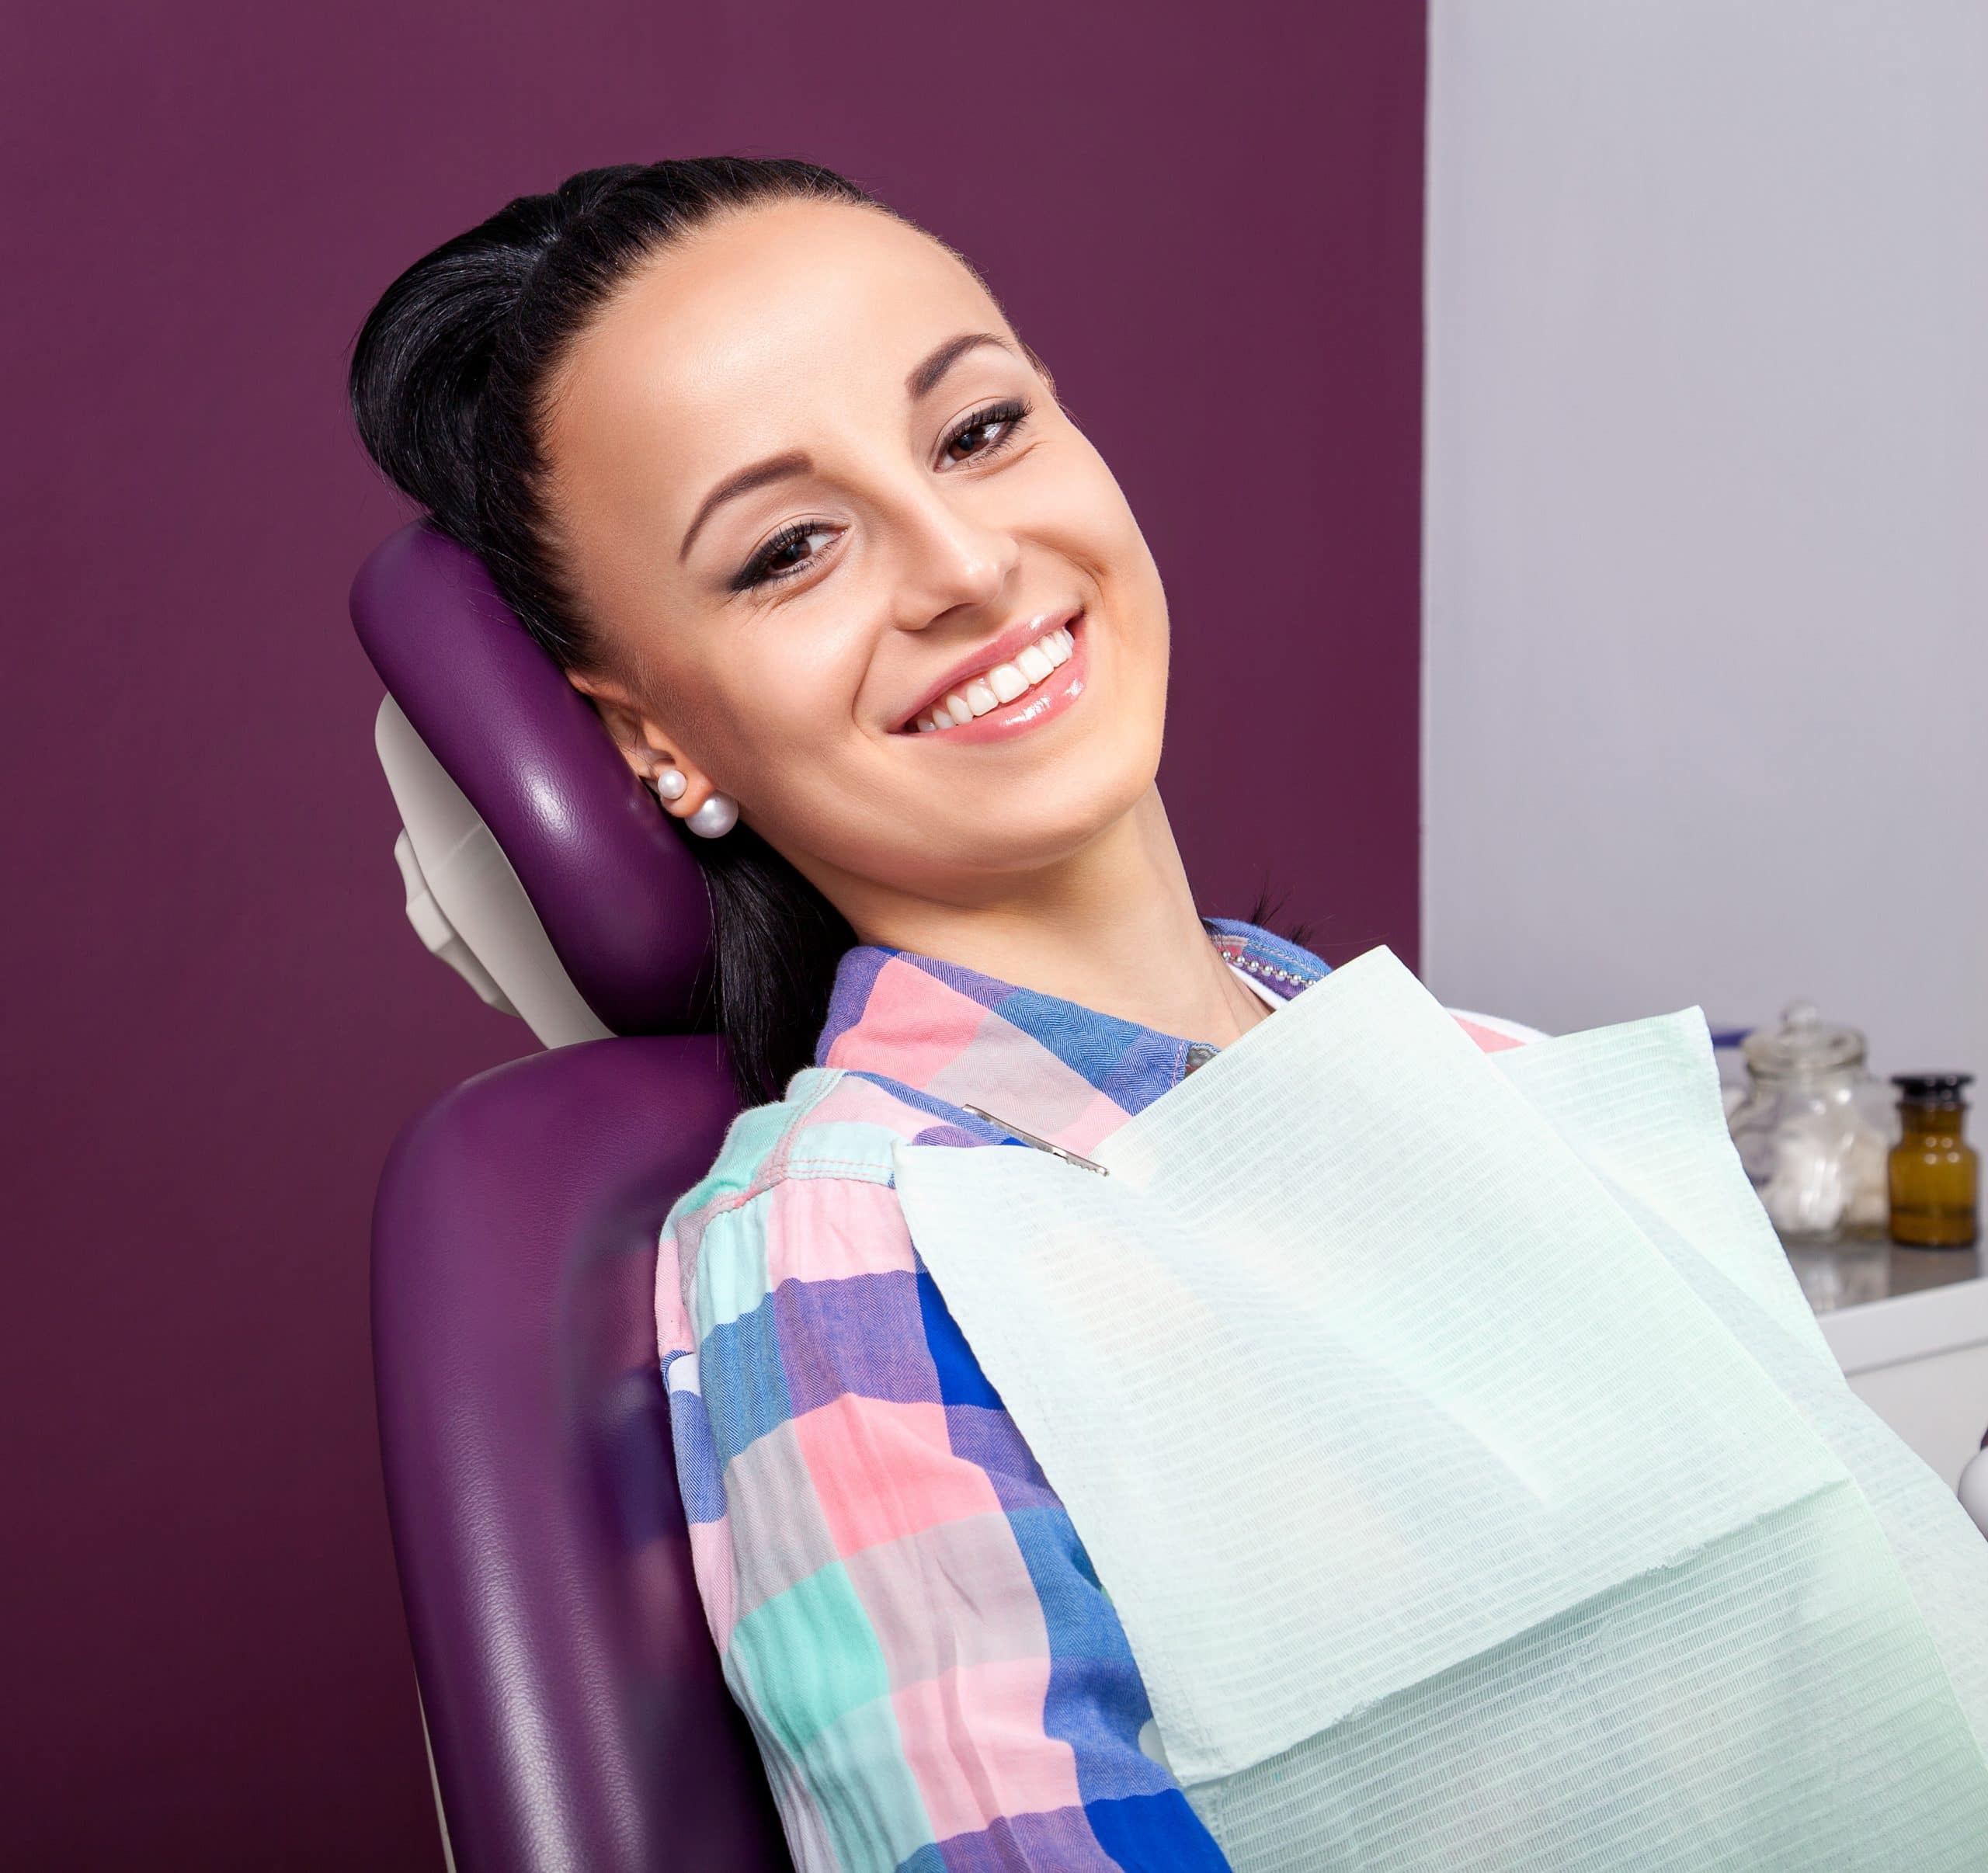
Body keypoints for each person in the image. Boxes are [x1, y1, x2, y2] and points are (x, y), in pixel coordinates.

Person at [348, 156, 1539, 1872]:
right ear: (650, 741)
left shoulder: (1458, 1069)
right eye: (786, 550)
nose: (967, 564)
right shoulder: (866, 1257)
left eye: (977, 432)